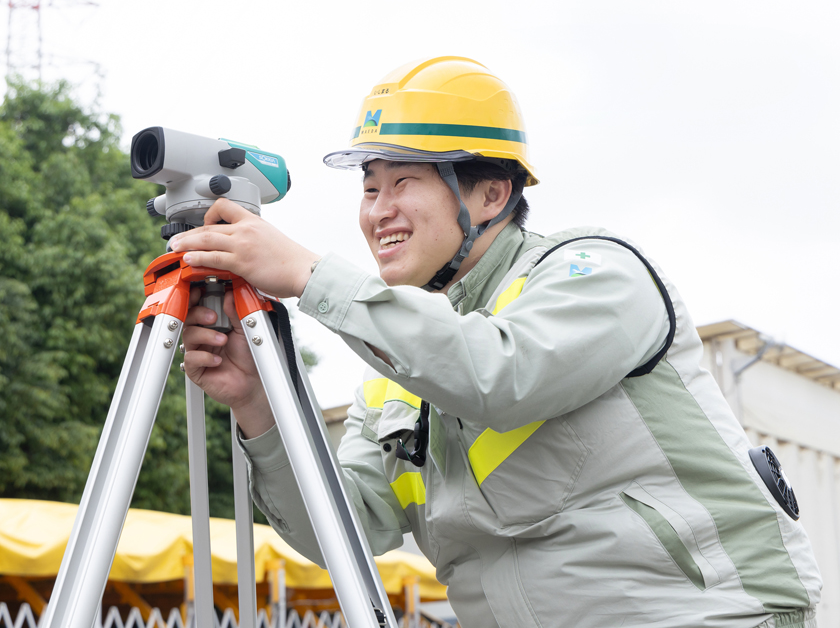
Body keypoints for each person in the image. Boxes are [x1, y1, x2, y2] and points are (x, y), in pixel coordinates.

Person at [171, 57, 821, 627]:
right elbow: (344, 528)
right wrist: (258, 406)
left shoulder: (595, 274)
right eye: (370, 188)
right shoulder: (397, 365)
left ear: (491, 193)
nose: (378, 210)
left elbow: (496, 376)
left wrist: (307, 276)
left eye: (404, 182)